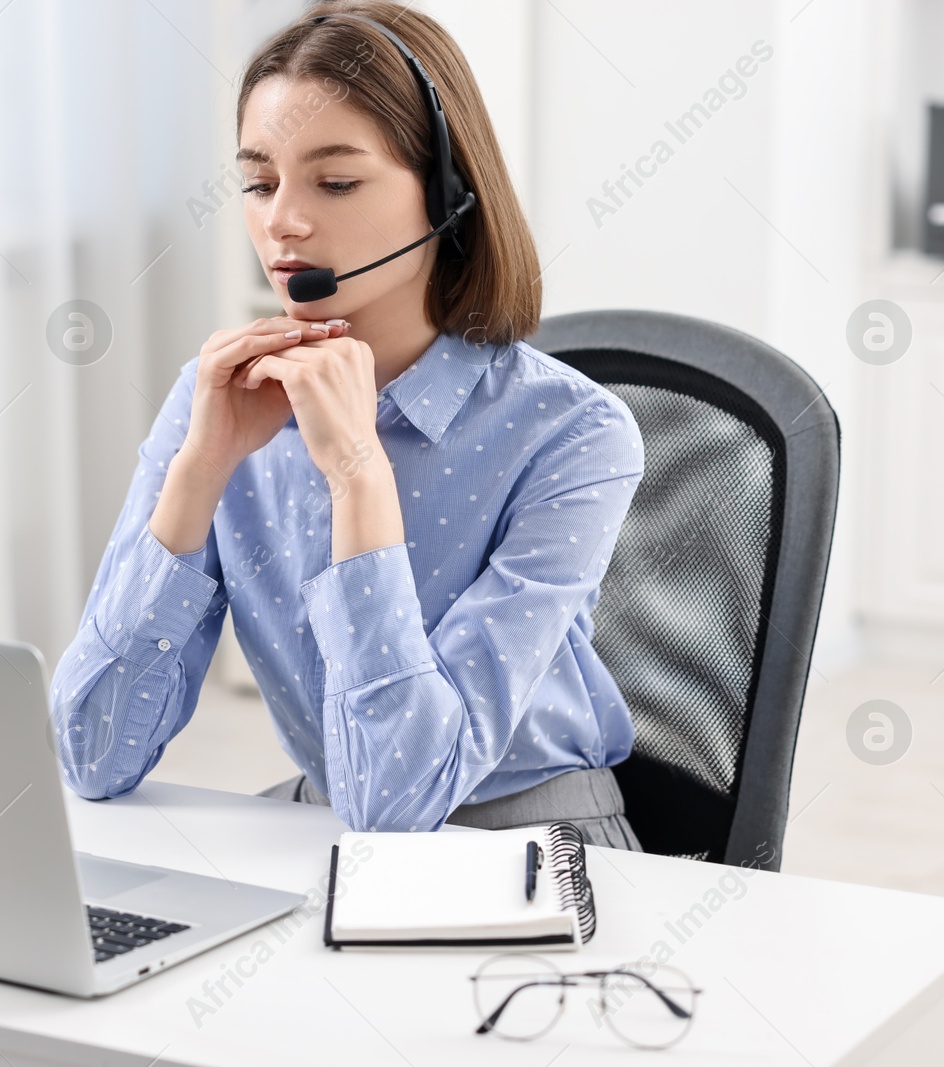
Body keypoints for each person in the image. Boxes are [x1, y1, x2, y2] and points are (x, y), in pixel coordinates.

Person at [48, 0, 644, 848]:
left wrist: (358, 471)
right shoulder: (216, 399)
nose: (282, 220)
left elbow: (401, 798)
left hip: (529, 848)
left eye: (334, 182)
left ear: (446, 193)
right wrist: (199, 470)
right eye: (257, 182)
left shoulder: (575, 434)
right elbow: (90, 755)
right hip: (333, 825)